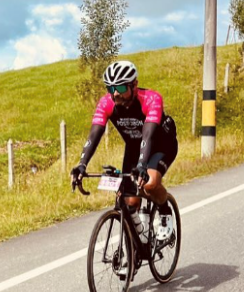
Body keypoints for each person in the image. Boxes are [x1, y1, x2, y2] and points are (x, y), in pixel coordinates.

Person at [70, 60, 179, 242]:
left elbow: (148, 135)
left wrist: (142, 165)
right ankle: (140, 241)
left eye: (120, 88)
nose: (115, 94)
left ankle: (165, 211)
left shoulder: (151, 99)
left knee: (149, 184)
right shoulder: (106, 103)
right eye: (110, 88)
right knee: (130, 201)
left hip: (161, 144)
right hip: (134, 147)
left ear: (134, 85)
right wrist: (82, 164)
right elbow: (94, 135)